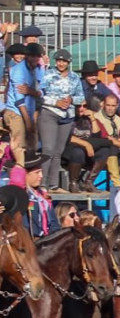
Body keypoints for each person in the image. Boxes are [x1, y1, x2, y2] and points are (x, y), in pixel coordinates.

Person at [36, 49, 84, 192]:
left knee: (58, 151)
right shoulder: (48, 75)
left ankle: (53, 184)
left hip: (67, 116)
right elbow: (40, 94)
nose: (61, 63)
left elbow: (81, 97)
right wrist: (55, 102)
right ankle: (42, 183)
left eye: (64, 61)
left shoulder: (75, 77)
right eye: (58, 61)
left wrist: (71, 100)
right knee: (48, 149)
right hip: (49, 112)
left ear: (69, 62)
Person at [1, 37, 36, 166]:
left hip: (24, 110)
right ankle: (17, 171)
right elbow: (15, 95)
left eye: (23, 54)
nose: (20, 56)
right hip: (14, 110)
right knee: (18, 144)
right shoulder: (11, 69)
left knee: (27, 144)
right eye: (18, 54)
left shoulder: (28, 69)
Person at [89, 93, 120, 188]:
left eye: (113, 106)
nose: (110, 108)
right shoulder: (97, 117)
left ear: (117, 106)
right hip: (99, 150)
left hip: (117, 149)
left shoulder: (117, 119)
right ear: (103, 104)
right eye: (108, 105)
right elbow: (105, 136)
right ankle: (117, 184)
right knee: (112, 148)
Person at [13, 155, 57, 237]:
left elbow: (54, 223)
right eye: (37, 172)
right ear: (25, 174)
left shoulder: (43, 196)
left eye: (41, 172)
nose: (41, 176)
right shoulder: (20, 196)